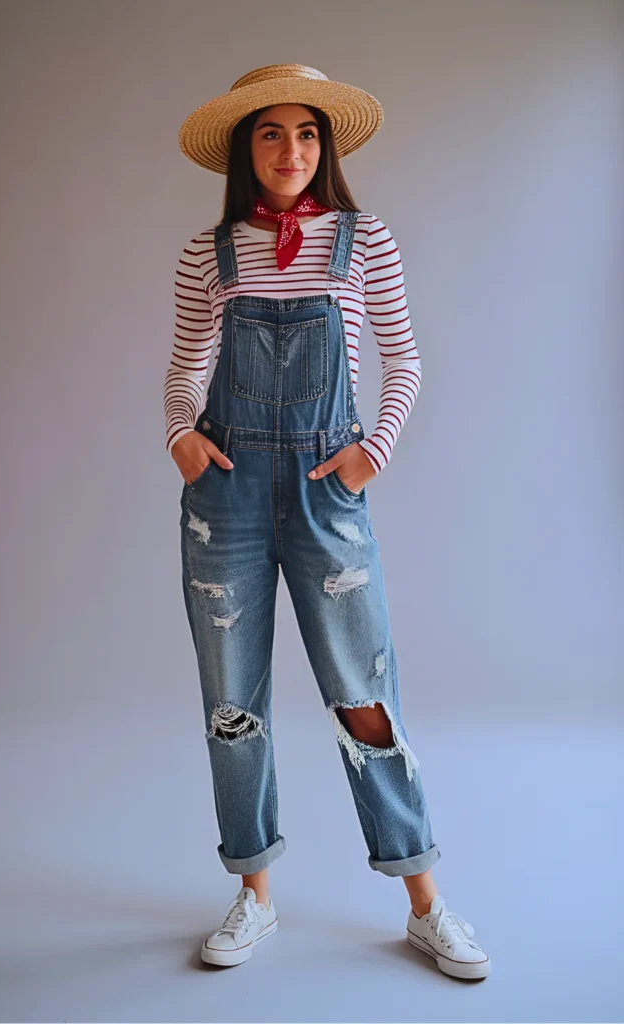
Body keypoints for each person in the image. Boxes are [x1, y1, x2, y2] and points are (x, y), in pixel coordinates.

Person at [166, 64, 491, 980]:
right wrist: (178, 436)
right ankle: (254, 895)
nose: (290, 151)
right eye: (270, 133)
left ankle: (422, 899)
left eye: (307, 134)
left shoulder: (365, 240)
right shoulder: (209, 252)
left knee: (363, 696)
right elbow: (187, 364)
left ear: (327, 146)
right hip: (223, 496)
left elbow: (406, 359)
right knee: (234, 705)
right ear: (244, 148)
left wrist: (371, 452)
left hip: (323, 495)